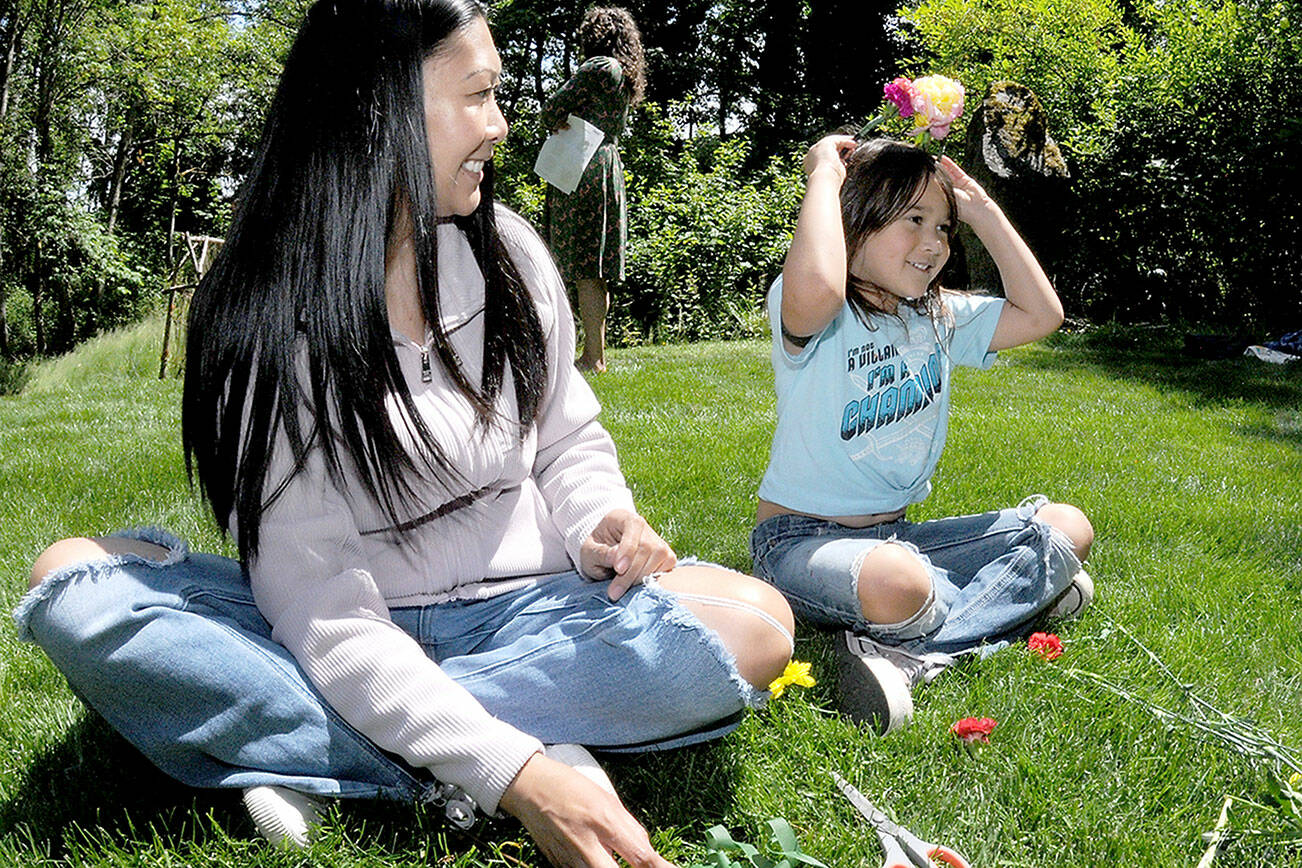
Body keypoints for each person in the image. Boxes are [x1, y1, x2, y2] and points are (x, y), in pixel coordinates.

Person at [14, 3, 796, 866]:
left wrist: (599, 519)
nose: (502, 124)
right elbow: (323, 612)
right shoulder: (268, 313)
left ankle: (322, 752)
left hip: (526, 615)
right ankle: (479, 751)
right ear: (375, 106)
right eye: (478, 95)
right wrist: (525, 775)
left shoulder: (512, 255)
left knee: (757, 624)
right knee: (77, 587)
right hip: (338, 627)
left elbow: (567, 438)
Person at [749, 134, 1095, 735]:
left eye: (944, 227)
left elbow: (1044, 315)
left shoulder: (937, 316)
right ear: (855, 219)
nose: (933, 243)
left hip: (900, 537)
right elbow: (822, 288)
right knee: (901, 583)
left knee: (1067, 528)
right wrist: (824, 178)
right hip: (799, 545)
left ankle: (916, 651)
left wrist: (982, 210)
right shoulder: (816, 312)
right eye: (914, 220)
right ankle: (1012, 602)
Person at [542, 7, 645, 372]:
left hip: (581, 165)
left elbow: (551, 108)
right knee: (595, 266)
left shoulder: (598, 67)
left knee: (582, 265)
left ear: (596, 35)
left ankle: (591, 356)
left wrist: (557, 120)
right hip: (606, 162)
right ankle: (593, 352)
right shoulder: (622, 73)